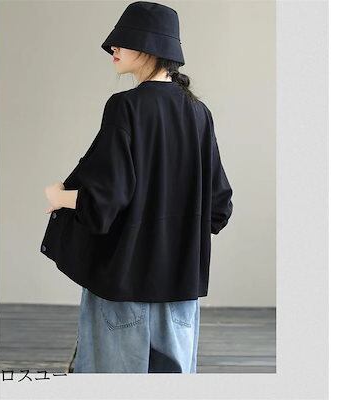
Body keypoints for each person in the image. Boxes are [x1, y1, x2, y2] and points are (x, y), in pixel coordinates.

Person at [41, 1, 233, 373]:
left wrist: (57, 196)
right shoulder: (199, 113)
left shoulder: (125, 107)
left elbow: (104, 201)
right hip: (180, 292)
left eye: (123, 40)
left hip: (124, 287)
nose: (112, 47)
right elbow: (218, 207)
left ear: (149, 47)